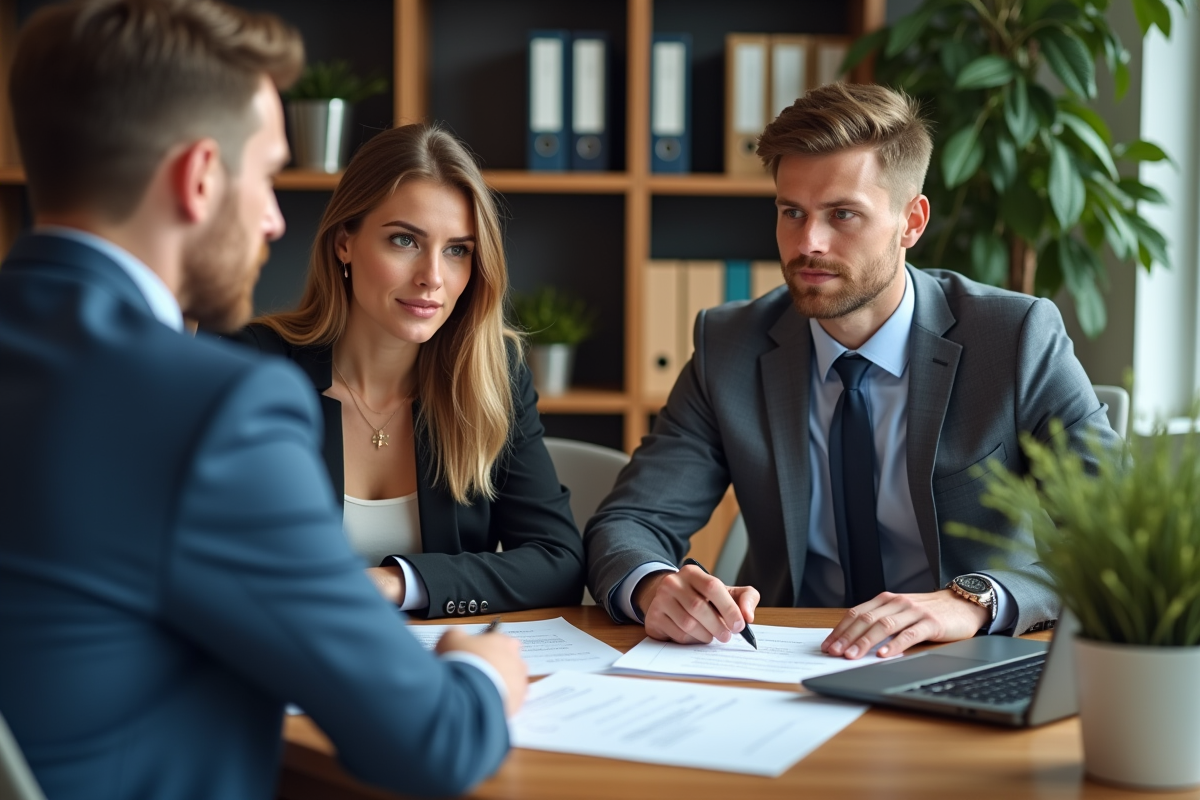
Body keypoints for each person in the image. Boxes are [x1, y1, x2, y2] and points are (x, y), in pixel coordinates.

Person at [0, 1, 525, 798]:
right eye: (270, 174)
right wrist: (482, 673)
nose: (277, 221)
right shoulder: (214, 409)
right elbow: (434, 743)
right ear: (201, 177)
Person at [585, 82, 1120, 660]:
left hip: (963, 656)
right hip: (783, 661)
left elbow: (1112, 541)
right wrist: (654, 587)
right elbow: (631, 521)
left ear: (911, 222)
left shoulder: (1014, 338)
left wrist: (974, 600)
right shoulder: (729, 344)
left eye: (843, 214)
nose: (808, 242)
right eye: (792, 213)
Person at [231, 123, 585, 618]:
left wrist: (398, 582)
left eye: (457, 250)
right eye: (404, 240)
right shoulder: (253, 366)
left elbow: (558, 562)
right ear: (344, 243)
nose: (432, 278)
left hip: (439, 664)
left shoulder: (491, 376)